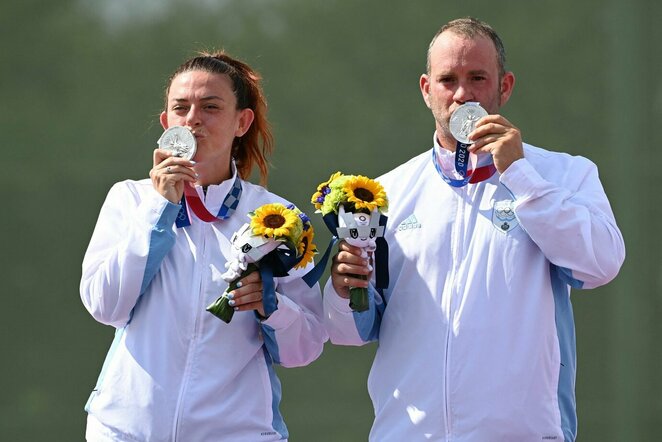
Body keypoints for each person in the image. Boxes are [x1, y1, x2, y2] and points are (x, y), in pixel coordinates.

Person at [324, 17, 625, 442]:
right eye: (448, 79)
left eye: (478, 78)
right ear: (427, 90)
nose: (463, 94)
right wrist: (341, 291)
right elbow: (346, 333)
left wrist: (520, 175)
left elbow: (601, 264)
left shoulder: (562, 174)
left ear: (505, 87)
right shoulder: (385, 194)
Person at [80, 51, 327, 441]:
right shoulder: (129, 199)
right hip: (126, 430)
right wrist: (160, 208)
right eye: (181, 108)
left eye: (210, 107)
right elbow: (104, 304)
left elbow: (305, 347)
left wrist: (271, 306)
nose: (193, 118)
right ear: (166, 123)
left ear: (241, 122)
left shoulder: (279, 217)